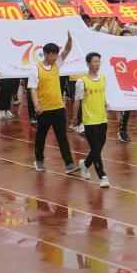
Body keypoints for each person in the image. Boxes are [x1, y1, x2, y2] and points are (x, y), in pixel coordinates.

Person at [29, 37, 79, 174]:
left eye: (56, 54)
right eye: (52, 54)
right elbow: (32, 89)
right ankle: (39, 160)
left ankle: (69, 164)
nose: (55, 57)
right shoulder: (35, 69)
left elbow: (67, 50)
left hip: (58, 108)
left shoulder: (56, 65)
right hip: (44, 109)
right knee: (41, 136)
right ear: (45, 54)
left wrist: (70, 38)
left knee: (62, 137)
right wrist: (36, 105)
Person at [72, 52, 111, 187]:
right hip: (89, 119)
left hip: (102, 117)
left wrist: (107, 103)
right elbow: (77, 101)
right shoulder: (81, 81)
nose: (97, 64)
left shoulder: (103, 78)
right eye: (94, 62)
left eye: (98, 62)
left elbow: (104, 95)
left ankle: (85, 164)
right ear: (88, 64)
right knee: (95, 148)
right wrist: (74, 118)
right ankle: (102, 176)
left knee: (99, 147)